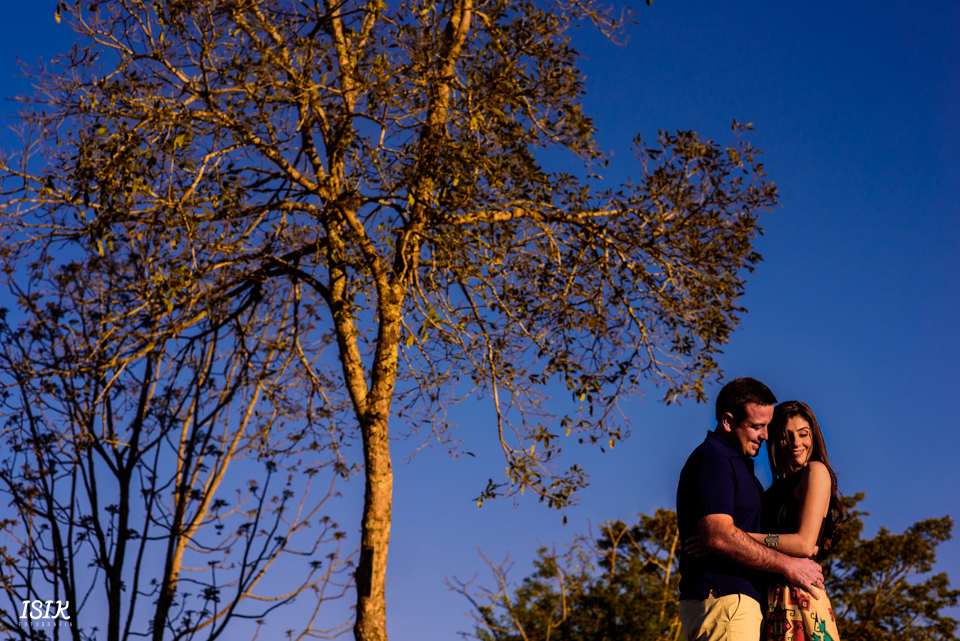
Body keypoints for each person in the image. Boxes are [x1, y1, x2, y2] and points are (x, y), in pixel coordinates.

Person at [677, 378, 825, 641]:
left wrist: (729, 535)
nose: (765, 435)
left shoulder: (741, 467)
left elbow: (723, 536)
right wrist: (787, 564)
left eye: (768, 426)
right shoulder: (713, 459)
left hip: (742, 605)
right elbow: (719, 535)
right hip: (725, 603)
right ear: (727, 421)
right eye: (757, 426)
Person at [753, 401, 845, 641]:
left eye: (803, 434)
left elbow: (804, 543)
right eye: (786, 436)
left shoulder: (815, 472)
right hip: (770, 600)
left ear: (813, 435)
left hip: (799, 599)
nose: (796, 443)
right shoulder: (773, 489)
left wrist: (744, 538)